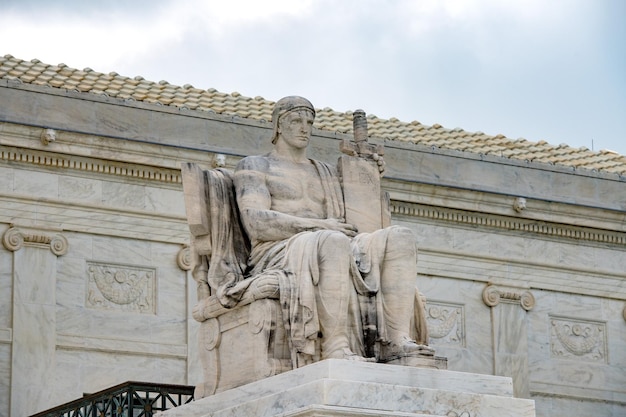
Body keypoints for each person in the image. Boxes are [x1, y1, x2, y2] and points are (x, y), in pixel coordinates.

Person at [232, 96, 431, 365]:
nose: (305, 128)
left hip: (330, 239)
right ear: (278, 125)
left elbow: (358, 219)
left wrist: (367, 174)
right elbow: (256, 221)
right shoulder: (255, 166)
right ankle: (336, 345)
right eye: (296, 121)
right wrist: (318, 225)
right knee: (333, 241)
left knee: (400, 238)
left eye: (309, 122)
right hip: (279, 250)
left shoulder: (324, 171)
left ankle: (397, 340)